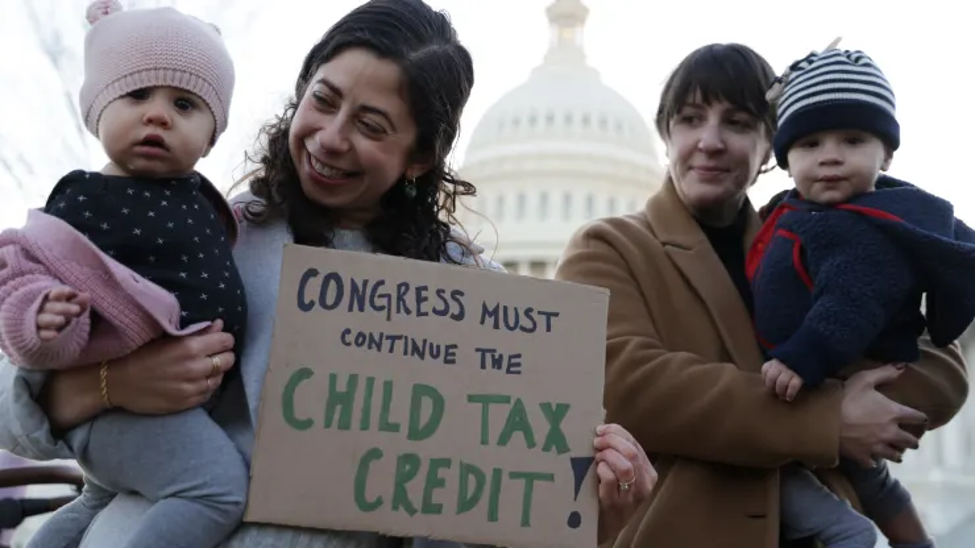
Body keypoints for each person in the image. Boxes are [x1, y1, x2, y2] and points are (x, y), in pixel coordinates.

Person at [0, 0, 657, 547]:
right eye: (323, 99)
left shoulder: (477, 307)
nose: (329, 137)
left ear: (420, 157)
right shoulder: (205, 229)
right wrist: (110, 385)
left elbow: (477, 511)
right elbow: (14, 394)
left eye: (370, 125)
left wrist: (589, 506)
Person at [553, 42, 971, 548]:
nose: (709, 141)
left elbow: (940, 371)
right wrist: (826, 418)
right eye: (689, 119)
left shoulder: (821, 236)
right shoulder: (610, 247)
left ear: (771, 147)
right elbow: (622, 384)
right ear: (666, 135)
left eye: (737, 123)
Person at [0, 0, 250, 547]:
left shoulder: (208, 203)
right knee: (217, 489)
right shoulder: (89, 200)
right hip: (122, 410)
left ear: (210, 137)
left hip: (165, 414)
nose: (158, 114)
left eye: (185, 103)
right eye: (138, 95)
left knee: (97, 498)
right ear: (98, 110)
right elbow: (19, 269)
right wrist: (41, 316)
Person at [748, 45, 976, 549]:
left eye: (852, 139)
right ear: (785, 160)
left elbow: (850, 301)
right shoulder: (794, 214)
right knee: (872, 479)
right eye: (809, 144)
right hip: (824, 391)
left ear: (887, 154)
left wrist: (803, 358)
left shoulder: (865, 230)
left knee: (815, 487)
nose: (830, 155)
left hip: (815, 374)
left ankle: (856, 536)